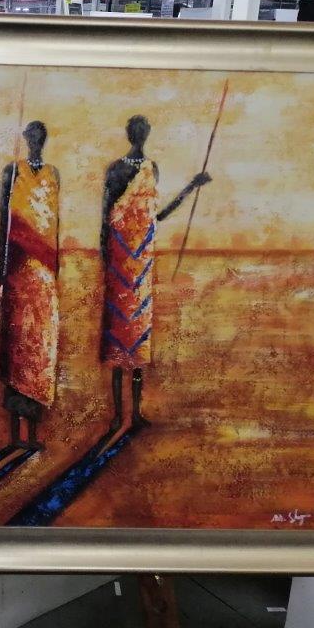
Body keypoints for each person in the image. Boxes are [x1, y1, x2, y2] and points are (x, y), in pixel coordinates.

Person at [100, 114, 211, 432]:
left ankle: (134, 413)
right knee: (118, 339)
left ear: (146, 134)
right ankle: (117, 415)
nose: (139, 134)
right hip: (120, 259)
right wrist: (106, 255)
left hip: (142, 262)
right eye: (135, 130)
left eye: (143, 130)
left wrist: (190, 187)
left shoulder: (153, 169)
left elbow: (156, 217)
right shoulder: (116, 169)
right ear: (129, 133)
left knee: (138, 339)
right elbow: (106, 217)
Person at [0, 120, 61, 451]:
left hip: (44, 274)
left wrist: (56, 266)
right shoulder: (12, 172)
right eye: (31, 136)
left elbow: (55, 223)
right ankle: (13, 436)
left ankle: (33, 434)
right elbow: (3, 220)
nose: (36, 141)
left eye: (40, 136)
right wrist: (0, 264)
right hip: (17, 271)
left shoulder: (53, 174)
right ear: (25, 138)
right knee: (15, 346)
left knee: (40, 350)